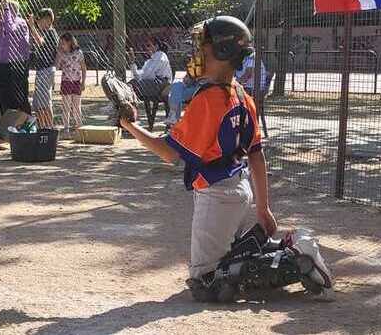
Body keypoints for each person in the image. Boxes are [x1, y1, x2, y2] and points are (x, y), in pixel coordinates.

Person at [117, 16, 276, 302]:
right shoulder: (243, 96)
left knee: (203, 282)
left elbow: (168, 153)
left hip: (216, 196)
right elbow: (257, 156)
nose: (198, 54)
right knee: (220, 263)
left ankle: (280, 261)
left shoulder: (208, 100)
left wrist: (128, 125)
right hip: (242, 193)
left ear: (224, 53)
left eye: (204, 48)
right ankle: (250, 250)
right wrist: (263, 208)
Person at [0, 0, 31, 115]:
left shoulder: (21, 22)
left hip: (17, 64)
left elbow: (10, 29)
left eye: (7, 9)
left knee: (18, 96)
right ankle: (6, 121)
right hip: (3, 64)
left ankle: (23, 121)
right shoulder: (3, 22)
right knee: (4, 96)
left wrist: (6, 10)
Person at [28, 8, 59, 128]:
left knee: (45, 102)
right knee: (38, 102)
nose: (38, 23)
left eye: (39, 21)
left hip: (46, 70)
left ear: (47, 20)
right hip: (42, 70)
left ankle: (49, 127)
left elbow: (40, 42)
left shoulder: (51, 32)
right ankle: (42, 126)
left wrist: (31, 26)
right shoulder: (45, 32)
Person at [56, 33, 86, 133]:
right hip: (66, 82)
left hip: (77, 81)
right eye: (61, 44)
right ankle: (66, 128)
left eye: (63, 43)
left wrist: (83, 82)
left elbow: (83, 68)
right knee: (66, 107)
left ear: (69, 42)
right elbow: (56, 66)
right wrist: (58, 55)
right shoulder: (62, 53)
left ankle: (79, 126)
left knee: (77, 106)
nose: (61, 45)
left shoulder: (78, 53)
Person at [129, 36, 173, 100]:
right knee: (131, 83)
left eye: (148, 45)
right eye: (146, 46)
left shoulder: (160, 55)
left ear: (156, 46)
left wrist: (138, 79)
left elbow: (148, 75)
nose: (146, 48)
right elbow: (139, 76)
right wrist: (132, 62)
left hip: (161, 84)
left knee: (132, 86)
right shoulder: (149, 60)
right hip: (152, 82)